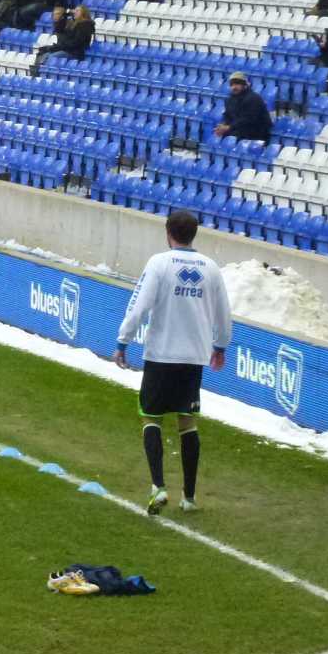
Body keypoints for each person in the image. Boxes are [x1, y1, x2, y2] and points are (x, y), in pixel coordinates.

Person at [114, 211, 232, 517]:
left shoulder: (159, 263)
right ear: (194, 234)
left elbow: (140, 304)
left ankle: (158, 486)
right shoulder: (211, 268)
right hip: (194, 358)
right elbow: (223, 312)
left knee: (150, 416)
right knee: (187, 422)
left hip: (162, 354)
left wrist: (123, 340)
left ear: (168, 233)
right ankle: (189, 497)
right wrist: (220, 346)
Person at [213, 71, 272, 143]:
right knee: (221, 135)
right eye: (232, 85)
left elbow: (248, 119)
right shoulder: (230, 99)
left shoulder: (253, 98)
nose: (234, 87)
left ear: (244, 85)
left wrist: (229, 127)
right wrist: (223, 126)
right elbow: (228, 115)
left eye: (237, 84)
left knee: (233, 136)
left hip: (256, 131)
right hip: (239, 129)